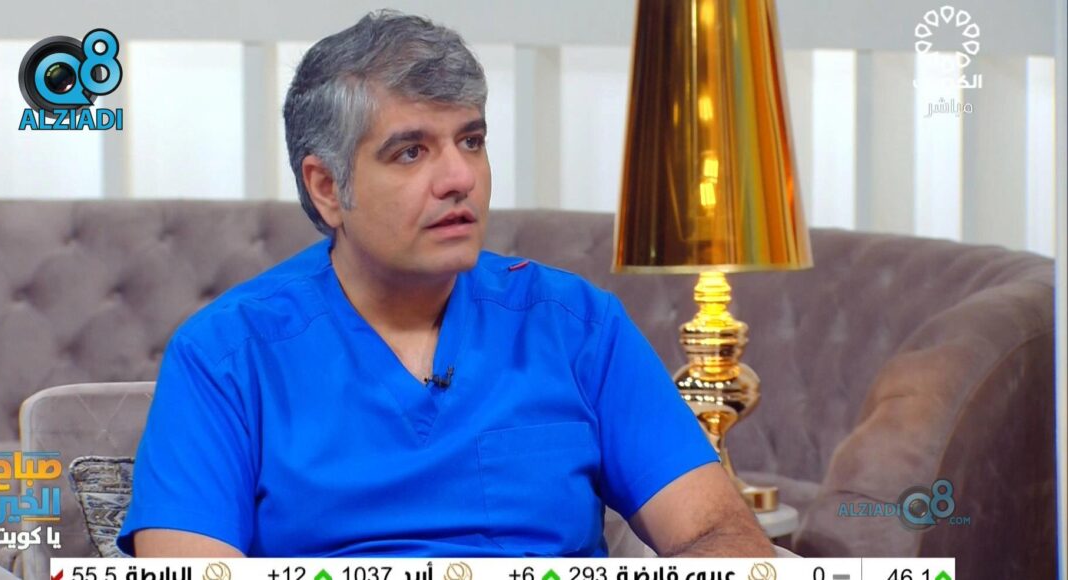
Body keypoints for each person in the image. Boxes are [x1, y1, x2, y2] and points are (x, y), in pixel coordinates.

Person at [117, 10, 774, 558]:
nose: (459, 178)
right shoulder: (225, 355)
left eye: (472, 140)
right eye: (411, 151)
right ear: (327, 188)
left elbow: (721, 535)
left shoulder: (577, 327)